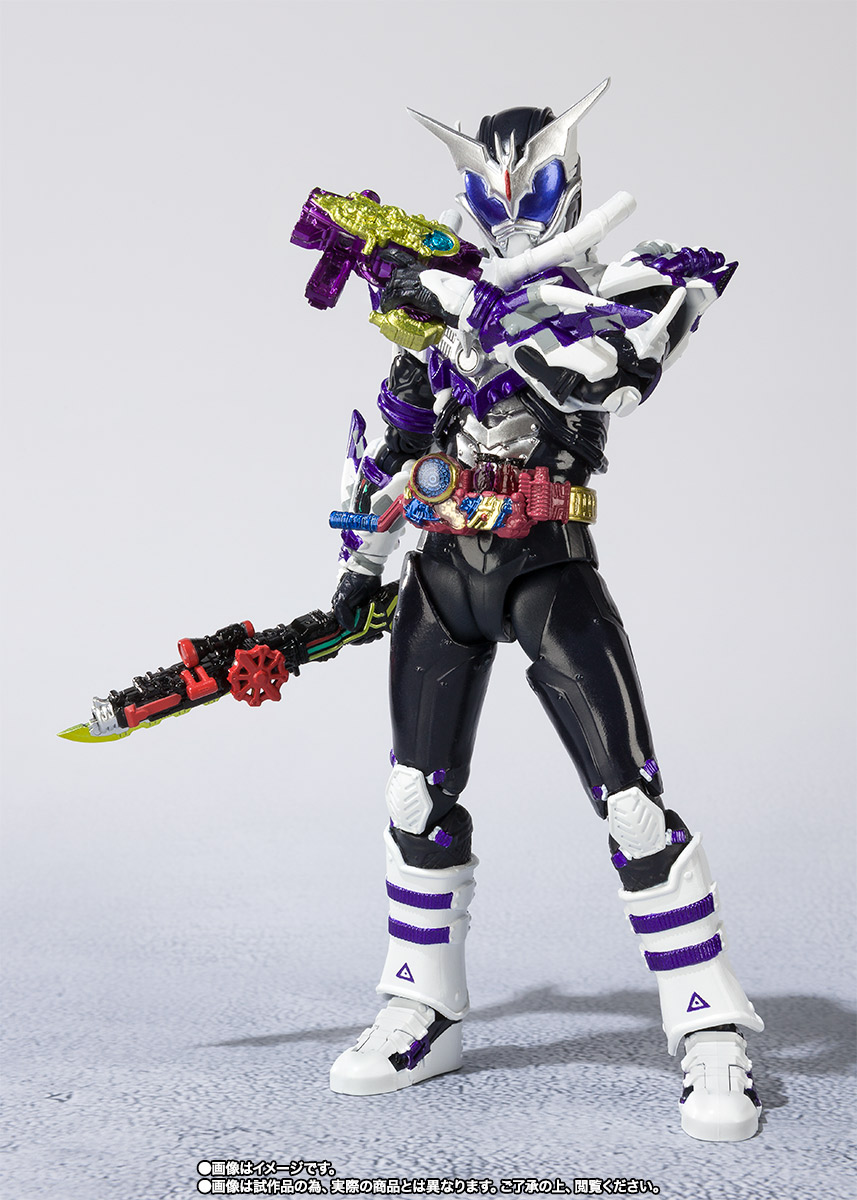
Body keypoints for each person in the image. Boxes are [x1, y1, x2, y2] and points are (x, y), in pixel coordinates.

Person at [324, 80, 763, 1142]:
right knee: (411, 796)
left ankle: (709, 1025)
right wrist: (359, 566)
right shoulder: (440, 313)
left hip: (544, 566)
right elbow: (397, 445)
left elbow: (610, 374)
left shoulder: (626, 286)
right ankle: (422, 1008)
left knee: (630, 803)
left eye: (531, 192)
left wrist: (496, 316)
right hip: (441, 571)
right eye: (492, 196)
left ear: (566, 190)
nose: (511, 213)